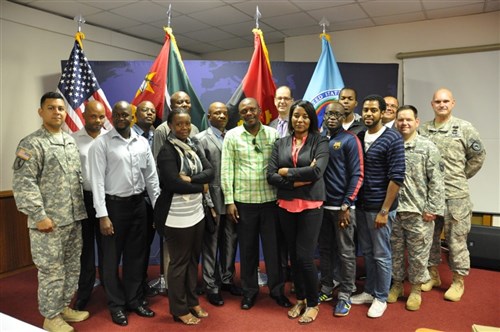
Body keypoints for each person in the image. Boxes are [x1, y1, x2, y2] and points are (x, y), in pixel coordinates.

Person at [12, 91, 90, 332]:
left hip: (74, 218)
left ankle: (63, 306)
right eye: (51, 108)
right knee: (51, 270)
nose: (57, 112)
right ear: (41, 112)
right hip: (49, 222)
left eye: (60, 108)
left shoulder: (69, 141)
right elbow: (25, 183)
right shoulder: (31, 143)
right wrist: (39, 216)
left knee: (71, 267)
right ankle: (50, 316)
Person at [89, 101, 160, 326]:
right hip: (113, 208)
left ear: (132, 116)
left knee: (136, 257)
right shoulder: (102, 144)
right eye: (117, 114)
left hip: (139, 206)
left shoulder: (141, 143)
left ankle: (134, 300)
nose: (121, 118)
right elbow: (97, 182)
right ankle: (116, 305)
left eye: (125, 114)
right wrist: (103, 215)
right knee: (111, 260)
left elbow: (151, 178)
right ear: (112, 116)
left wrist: (157, 210)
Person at [221, 97, 291, 310]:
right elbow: (227, 169)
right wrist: (229, 201)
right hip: (244, 203)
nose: (248, 113)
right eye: (244, 111)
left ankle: (277, 291)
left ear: (260, 111)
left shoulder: (273, 134)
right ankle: (249, 292)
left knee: (274, 251)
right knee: (248, 251)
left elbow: (282, 163)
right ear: (240, 114)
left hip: (271, 202)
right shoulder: (232, 136)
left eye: (252, 109)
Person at [419, 88, 486, 302]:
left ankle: (458, 281)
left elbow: (478, 156)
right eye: (437, 101)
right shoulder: (423, 130)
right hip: (430, 196)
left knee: (456, 240)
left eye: (445, 101)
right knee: (428, 238)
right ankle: (433, 275)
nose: (442, 105)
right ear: (432, 104)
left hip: (456, 195)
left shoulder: (465, 128)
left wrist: (460, 176)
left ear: (453, 103)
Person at [267, 100, 328, 324]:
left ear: (311, 119)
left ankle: (313, 303)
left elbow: (318, 171)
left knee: (305, 258)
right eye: (296, 116)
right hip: (286, 204)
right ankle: (301, 298)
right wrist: (296, 180)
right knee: (293, 256)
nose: (299, 120)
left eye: (304, 116)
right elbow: (271, 175)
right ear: (290, 118)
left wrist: (287, 172)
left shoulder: (319, 140)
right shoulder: (280, 142)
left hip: (311, 206)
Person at [154, 108, 214, 325]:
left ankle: (192, 300)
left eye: (187, 124)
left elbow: (210, 171)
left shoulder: (194, 145)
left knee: (192, 260)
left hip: (197, 214)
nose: (184, 128)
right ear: (170, 126)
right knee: (179, 262)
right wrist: (201, 186)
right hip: (176, 217)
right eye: (179, 124)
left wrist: (190, 180)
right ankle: (179, 308)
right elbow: (172, 183)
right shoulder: (166, 151)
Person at [350, 94, 405, 318]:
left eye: (374, 110)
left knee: (382, 254)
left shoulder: (393, 138)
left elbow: (397, 178)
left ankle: (381, 297)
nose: (369, 114)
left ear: (383, 113)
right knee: (369, 252)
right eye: (366, 110)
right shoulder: (360, 135)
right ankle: (370, 291)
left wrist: (384, 210)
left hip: (381, 208)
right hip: (362, 206)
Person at [388, 105, 445, 311]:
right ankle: (396, 285)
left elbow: (437, 181)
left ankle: (415, 290)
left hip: (420, 213)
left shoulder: (427, 147)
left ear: (417, 122)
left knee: (418, 255)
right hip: (395, 211)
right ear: (396, 122)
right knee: (395, 252)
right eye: (400, 120)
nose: (404, 123)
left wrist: (432, 208)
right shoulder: (391, 145)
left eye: (408, 120)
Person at [318, 101, 364, 317]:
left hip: (342, 208)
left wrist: (347, 204)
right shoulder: (320, 139)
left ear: (344, 115)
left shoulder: (350, 139)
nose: (332, 117)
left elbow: (358, 174)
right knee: (325, 250)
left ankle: (346, 293)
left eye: (337, 114)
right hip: (320, 207)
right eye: (328, 114)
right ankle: (326, 287)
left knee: (346, 253)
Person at [195, 102, 243, 307]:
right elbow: (201, 176)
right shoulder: (200, 139)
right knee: (211, 245)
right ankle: (210, 285)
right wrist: (208, 204)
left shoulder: (233, 136)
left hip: (233, 200)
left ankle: (226, 279)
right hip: (212, 201)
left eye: (224, 112)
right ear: (209, 115)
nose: (222, 115)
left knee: (230, 242)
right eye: (217, 112)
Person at [72, 100, 108, 311]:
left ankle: (108, 285)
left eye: (101, 117)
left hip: (106, 199)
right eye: (93, 116)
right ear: (85, 116)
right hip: (84, 199)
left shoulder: (109, 138)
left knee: (107, 248)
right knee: (85, 250)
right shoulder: (73, 139)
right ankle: (84, 291)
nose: (98, 120)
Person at [132, 100, 159, 299]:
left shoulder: (157, 134)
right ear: (136, 113)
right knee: (134, 246)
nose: (149, 113)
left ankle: (141, 282)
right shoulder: (128, 135)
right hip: (134, 199)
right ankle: (133, 285)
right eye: (144, 110)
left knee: (146, 244)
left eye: (152, 111)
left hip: (155, 197)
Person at [153, 91, 200, 159]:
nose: (184, 104)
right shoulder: (161, 130)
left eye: (187, 102)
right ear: (171, 106)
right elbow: (157, 158)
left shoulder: (194, 129)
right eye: (180, 102)